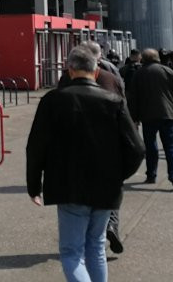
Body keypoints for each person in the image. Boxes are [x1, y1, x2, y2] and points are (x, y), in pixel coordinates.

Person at [27, 46, 145, 282]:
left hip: (68, 184)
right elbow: (137, 148)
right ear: (95, 70)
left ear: (70, 70)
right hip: (106, 186)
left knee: (72, 252)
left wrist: (34, 185)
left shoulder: (53, 100)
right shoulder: (114, 101)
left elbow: (36, 146)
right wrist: (119, 174)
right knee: (96, 247)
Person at [58, 41, 126, 254]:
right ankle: (110, 226)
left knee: (78, 201)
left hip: (75, 146)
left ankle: (83, 241)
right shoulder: (112, 75)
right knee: (108, 192)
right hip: (107, 145)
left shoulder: (67, 79)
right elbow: (123, 101)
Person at [126, 48, 173, 191]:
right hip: (169, 114)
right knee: (171, 146)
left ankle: (151, 174)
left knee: (150, 145)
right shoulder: (167, 71)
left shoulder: (139, 73)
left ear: (143, 59)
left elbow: (133, 97)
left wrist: (134, 118)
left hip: (148, 115)